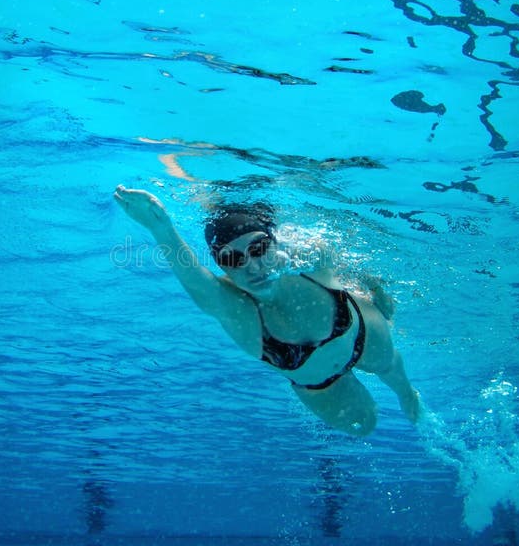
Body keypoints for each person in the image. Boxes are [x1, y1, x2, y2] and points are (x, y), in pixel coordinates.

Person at [114, 186, 422, 436]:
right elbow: (198, 284)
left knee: (389, 368)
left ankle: (406, 392)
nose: (252, 267)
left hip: (360, 334)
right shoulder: (237, 309)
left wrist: (377, 288)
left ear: (275, 243)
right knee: (363, 426)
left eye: (259, 249)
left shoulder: (304, 256)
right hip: (320, 382)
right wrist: (160, 227)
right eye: (233, 260)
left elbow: (345, 264)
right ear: (222, 267)